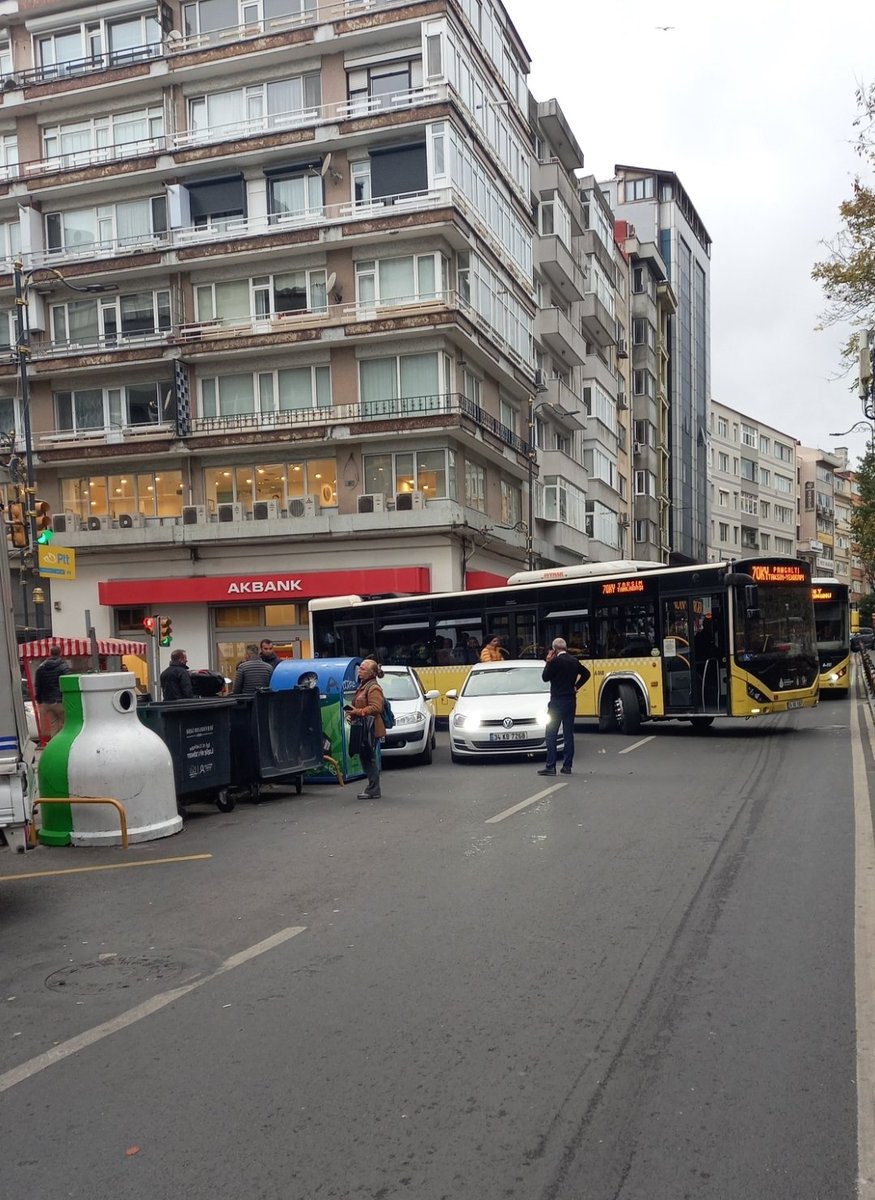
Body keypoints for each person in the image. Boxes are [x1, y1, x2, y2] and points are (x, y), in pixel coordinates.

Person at [538, 637, 590, 777]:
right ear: (565, 648)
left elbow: (545, 677)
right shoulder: (574, 660)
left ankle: (551, 766)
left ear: (554, 649)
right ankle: (567, 766)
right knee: (568, 734)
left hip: (556, 701)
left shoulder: (555, 662)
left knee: (551, 734)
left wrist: (548, 662)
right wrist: (576, 686)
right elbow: (586, 674)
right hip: (570, 700)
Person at [346, 658, 386, 800]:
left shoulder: (373, 687)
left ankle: (373, 789)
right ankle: (372, 788)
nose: (359, 671)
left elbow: (376, 708)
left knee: (369, 758)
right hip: (362, 727)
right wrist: (352, 714)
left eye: (362, 669)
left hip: (370, 728)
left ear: (370, 673)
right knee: (365, 757)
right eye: (360, 668)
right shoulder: (363, 686)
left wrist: (358, 712)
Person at [34, 644, 72, 738]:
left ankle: (53, 744)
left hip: (47, 701)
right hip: (59, 701)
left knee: (54, 724)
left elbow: (38, 685)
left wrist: (39, 700)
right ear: (60, 653)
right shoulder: (63, 666)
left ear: (50, 653)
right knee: (65, 724)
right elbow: (67, 683)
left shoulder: (41, 668)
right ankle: (63, 744)